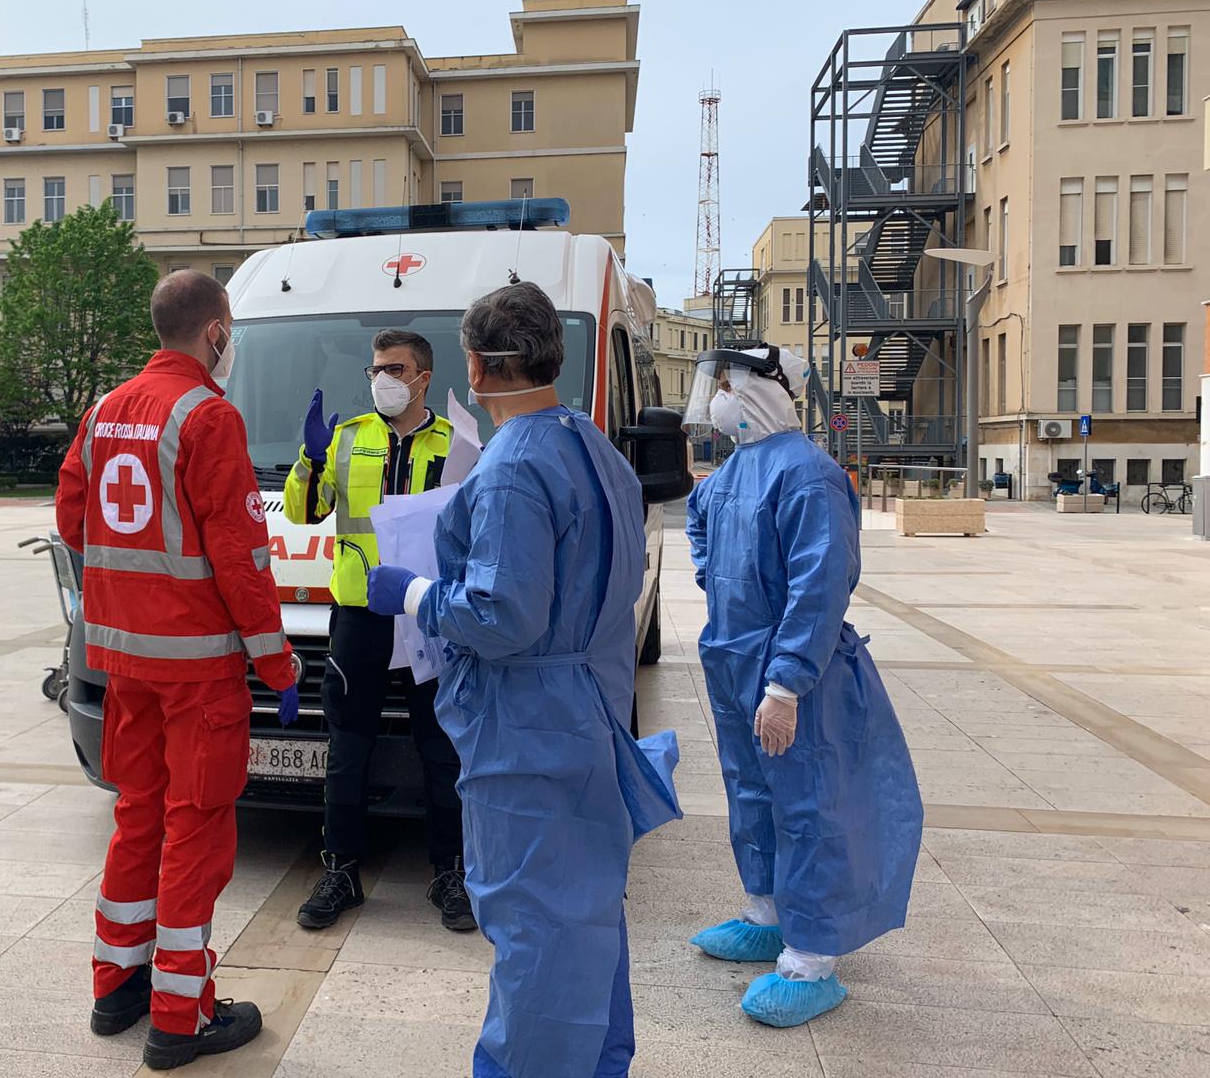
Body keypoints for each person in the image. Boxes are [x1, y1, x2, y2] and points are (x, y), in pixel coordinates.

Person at [365, 282, 680, 1078]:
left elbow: (505, 615)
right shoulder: (591, 445)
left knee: (534, 932)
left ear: (474, 366)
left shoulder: (511, 467)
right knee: (586, 921)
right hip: (588, 712)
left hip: (529, 734)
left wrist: (415, 594)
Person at [55, 269, 301, 1071]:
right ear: (216, 332)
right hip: (197, 670)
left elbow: (72, 518)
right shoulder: (208, 415)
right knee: (196, 829)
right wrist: (276, 660)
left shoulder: (103, 411)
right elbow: (240, 554)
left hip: (125, 663)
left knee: (139, 816)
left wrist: (129, 597)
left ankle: (117, 987)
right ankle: (179, 1017)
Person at [682, 343, 923, 1029]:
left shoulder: (810, 474)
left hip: (793, 669)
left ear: (768, 390)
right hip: (733, 657)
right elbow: (700, 525)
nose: (719, 399)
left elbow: (820, 584)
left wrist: (786, 683)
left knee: (809, 802)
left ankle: (813, 956)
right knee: (751, 790)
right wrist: (714, 576)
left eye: (730, 385)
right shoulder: (731, 472)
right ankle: (767, 912)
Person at [284, 330, 472, 932]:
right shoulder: (347, 438)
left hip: (428, 613)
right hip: (360, 616)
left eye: (394, 369)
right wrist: (310, 459)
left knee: (441, 747)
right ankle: (341, 870)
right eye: (375, 370)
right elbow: (304, 512)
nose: (381, 379)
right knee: (348, 748)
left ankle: (450, 871)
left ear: (423, 377)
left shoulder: (459, 442)